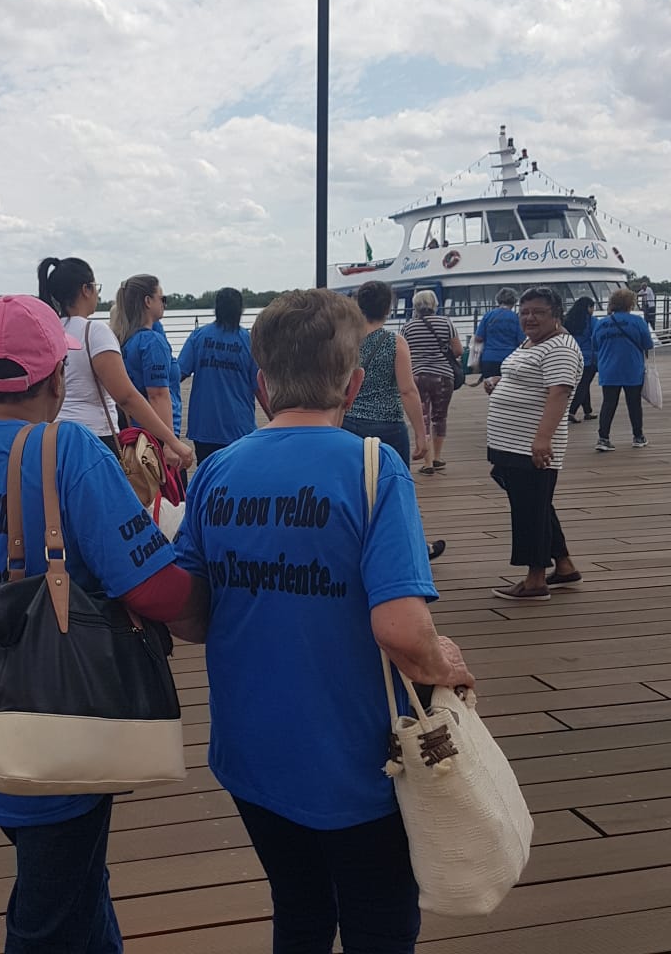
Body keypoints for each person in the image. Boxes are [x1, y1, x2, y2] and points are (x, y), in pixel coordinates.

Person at [0, 294, 204, 954]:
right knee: (47, 915)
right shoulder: (70, 451)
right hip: (64, 728)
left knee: (79, 884)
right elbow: (157, 589)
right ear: (57, 379)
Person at [173, 288, 474, 953]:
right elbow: (401, 630)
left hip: (250, 752)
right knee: (380, 923)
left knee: (300, 910)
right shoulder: (373, 468)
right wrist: (444, 666)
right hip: (359, 763)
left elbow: (188, 618)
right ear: (354, 382)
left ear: (261, 384)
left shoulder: (216, 471)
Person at [36, 256, 193, 467]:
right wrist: (172, 441)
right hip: (93, 438)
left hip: (52, 437)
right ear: (86, 290)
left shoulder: (49, 332)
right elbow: (126, 396)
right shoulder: (94, 332)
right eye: (96, 287)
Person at [485, 287, 584, 602]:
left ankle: (535, 580)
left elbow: (559, 392)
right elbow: (530, 377)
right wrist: (500, 382)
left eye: (538, 312)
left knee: (529, 509)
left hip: (529, 444)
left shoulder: (560, 347)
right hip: (510, 441)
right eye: (524, 312)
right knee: (536, 504)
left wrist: (542, 439)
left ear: (556, 315)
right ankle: (564, 565)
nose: (529, 318)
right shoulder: (533, 342)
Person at [341, 281, 446, 563]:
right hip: (387, 426)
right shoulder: (394, 342)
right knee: (396, 490)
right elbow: (407, 390)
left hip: (348, 424)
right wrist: (421, 435)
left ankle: (354, 544)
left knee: (352, 489)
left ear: (358, 305)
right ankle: (413, 547)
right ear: (388, 308)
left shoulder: (345, 341)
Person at [177, 287, 265, 464]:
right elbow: (259, 386)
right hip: (239, 426)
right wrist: (275, 417)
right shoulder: (248, 341)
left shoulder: (198, 336)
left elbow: (178, 373)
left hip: (204, 426)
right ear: (240, 310)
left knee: (208, 472)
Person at [111, 274, 183, 446]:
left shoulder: (125, 340)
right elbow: (158, 395)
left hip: (134, 431)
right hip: (155, 436)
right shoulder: (152, 342)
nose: (164, 304)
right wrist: (171, 444)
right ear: (148, 301)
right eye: (162, 299)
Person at [400, 289, 463, 474]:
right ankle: (437, 457)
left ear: (415, 306)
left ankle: (427, 463)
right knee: (439, 417)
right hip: (443, 376)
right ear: (435, 304)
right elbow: (458, 351)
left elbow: (403, 353)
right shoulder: (446, 323)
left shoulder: (408, 327)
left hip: (417, 377)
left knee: (423, 418)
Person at [594, 288, 654, 451]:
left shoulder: (601, 323)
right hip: (632, 368)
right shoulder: (637, 321)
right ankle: (638, 436)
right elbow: (648, 344)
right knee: (634, 403)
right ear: (630, 304)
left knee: (608, 403)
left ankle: (603, 438)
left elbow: (595, 345)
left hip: (608, 368)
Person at [474, 287, 525, 379]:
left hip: (489, 358)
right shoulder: (516, 318)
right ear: (514, 301)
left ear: (498, 300)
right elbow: (521, 341)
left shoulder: (488, 315)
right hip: (510, 358)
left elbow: (478, 338)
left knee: (490, 386)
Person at [564, 296, 598, 422]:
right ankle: (571, 411)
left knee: (583, 384)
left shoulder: (568, 320)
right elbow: (596, 338)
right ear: (589, 307)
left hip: (572, 356)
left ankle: (588, 411)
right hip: (588, 357)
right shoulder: (591, 321)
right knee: (583, 385)